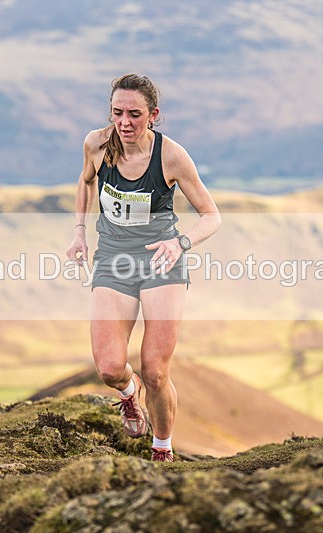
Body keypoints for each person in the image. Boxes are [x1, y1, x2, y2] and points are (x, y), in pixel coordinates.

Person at [66, 74, 221, 462]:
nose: (125, 123)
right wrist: (80, 232)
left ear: (153, 115)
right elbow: (85, 182)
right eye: (118, 113)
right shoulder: (96, 144)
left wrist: (180, 242)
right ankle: (128, 394)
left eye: (135, 114)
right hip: (113, 260)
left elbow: (211, 215)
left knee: (155, 370)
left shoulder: (172, 157)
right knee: (109, 367)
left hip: (160, 261)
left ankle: (162, 448)